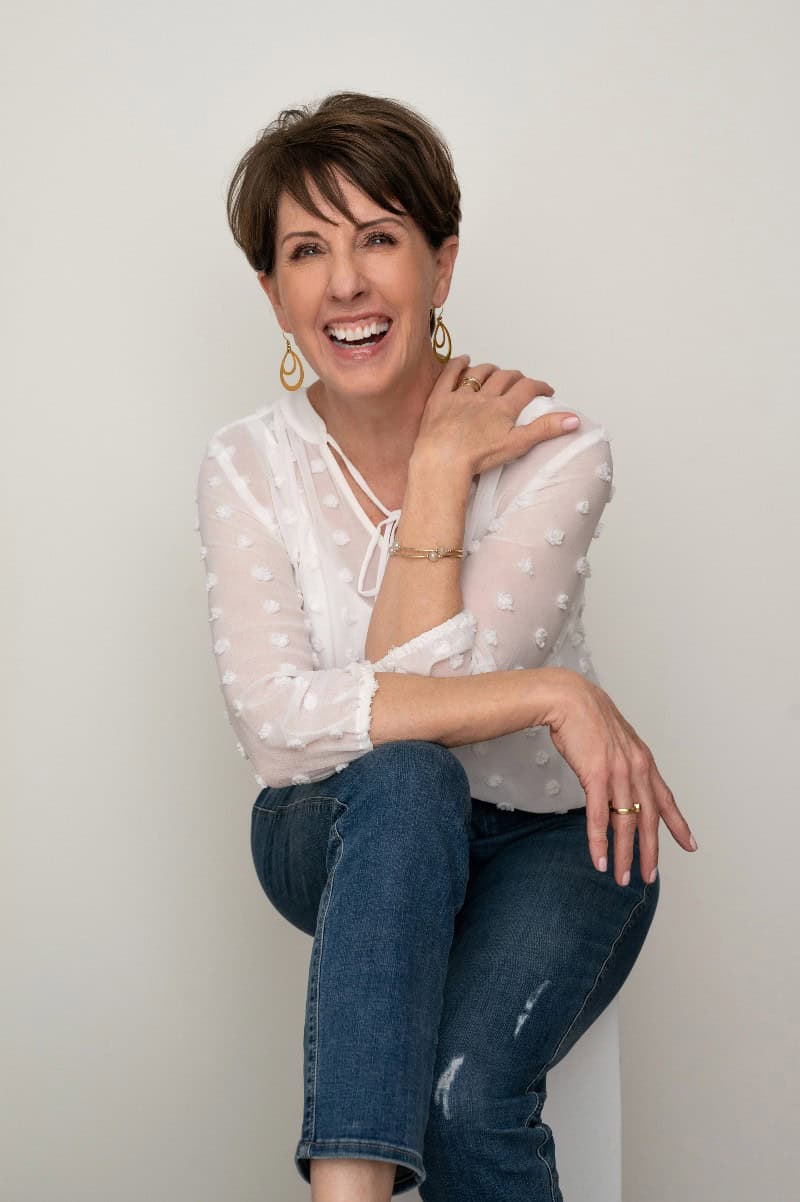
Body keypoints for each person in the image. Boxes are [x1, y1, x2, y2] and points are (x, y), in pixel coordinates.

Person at [195, 91, 697, 1202]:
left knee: (464, 1095)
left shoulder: (554, 450)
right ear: (272, 292)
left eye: (379, 238)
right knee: (410, 776)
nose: (345, 283)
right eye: (306, 251)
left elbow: (439, 690)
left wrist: (435, 474)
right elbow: (278, 729)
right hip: (325, 827)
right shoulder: (246, 464)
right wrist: (552, 689)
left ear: (442, 262)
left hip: (551, 836)